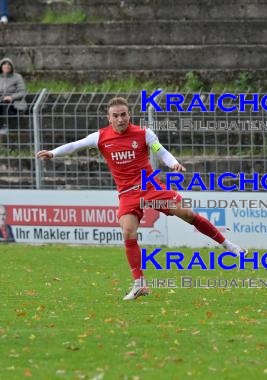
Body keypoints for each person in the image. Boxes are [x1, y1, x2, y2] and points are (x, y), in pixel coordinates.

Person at [36, 97, 247, 301]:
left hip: (151, 187)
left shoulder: (143, 133)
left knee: (189, 215)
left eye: (124, 115)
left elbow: (160, 151)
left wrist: (173, 163)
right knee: (128, 231)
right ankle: (139, 284)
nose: (120, 119)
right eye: (115, 116)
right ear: (108, 118)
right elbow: (75, 145)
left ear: (130, 115)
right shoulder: (100, 137)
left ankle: (230, 246)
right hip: (128, 193)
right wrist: (53, 153)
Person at [0, 57, 27, 134]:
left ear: (12, 67)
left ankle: (4, 126)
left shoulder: (17, 77)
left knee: (5, 103)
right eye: (4, 64)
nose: (7, 66)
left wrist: (11, 97)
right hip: (1, 102)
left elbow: (22, 92)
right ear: (1, 67)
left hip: (15, 104)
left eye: (9, 64)